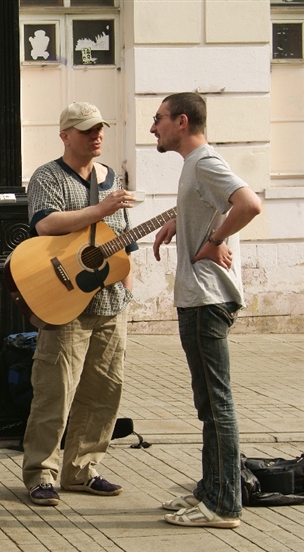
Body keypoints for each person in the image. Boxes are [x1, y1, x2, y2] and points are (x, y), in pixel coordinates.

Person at [151, 92, 262, 529]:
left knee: (217, 405)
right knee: (209, 404)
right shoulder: (194, 166)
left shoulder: (204, 162)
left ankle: (223, 505)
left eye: (158, 118)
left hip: (207, 300)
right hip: (201, 298)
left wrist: (214, 240)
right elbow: (215, 203)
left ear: (181, 121)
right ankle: (210, 490)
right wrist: (183, 220)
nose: (153, 126)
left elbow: (248, 204)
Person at [21, 102, 138, 506]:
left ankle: (82, 468)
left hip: (110, 302)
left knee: (104, 390)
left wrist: (128, 283)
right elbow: (44, 224)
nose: (97, 136)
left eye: (100, 128)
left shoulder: (113, 178)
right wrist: (100, 209)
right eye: (87, 130)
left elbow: (122, 239)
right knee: (55, 391)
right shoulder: (48, 177)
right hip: (65, 302)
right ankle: (41, 473)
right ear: (65, 135)